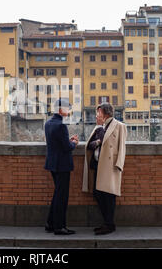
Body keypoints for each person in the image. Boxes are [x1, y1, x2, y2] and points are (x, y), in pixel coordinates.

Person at [82, 102, 127, 235]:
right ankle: (107, 223)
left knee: (109, 196)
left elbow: (122, 148)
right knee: (98, 193)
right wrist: (97, 142)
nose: (97, 115)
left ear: (105, 113)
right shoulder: (99, 128)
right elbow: (91, 145)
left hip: (110, 167)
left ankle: (109, 224)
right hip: (97, 166)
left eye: (98, 112)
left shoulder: (120, 126)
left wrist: (119, 165)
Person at [44, 98, 79, 235]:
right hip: (63, 165)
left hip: (52, 164)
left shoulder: (48, 123)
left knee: (57, 195)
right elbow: (66, 147)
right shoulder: (61, 125)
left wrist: (68, 140)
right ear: (60, 110)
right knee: (62, 197)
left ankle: (50, 223)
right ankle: (59, 227)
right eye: (67, 109)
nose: (68, 111)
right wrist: (74, 143)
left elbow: (58, 143)